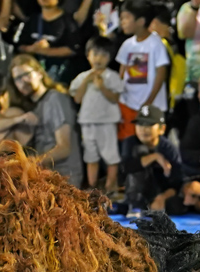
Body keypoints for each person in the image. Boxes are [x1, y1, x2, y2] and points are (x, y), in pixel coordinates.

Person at [11, 54, 84, 187]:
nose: (23, 82)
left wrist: (33, 162)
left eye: (26, 74)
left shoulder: (55, 99)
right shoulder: (33, 107)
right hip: (44, 176)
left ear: (39, 73)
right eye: (17, 79)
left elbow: (64, 147)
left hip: (64, 177)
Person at [69, 36, 123, 192]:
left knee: (111, 156)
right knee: (90, 156)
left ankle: (110, 186)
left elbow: (116, 98)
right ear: (88, 55)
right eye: (95, 54)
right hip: (87, 121)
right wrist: (87, 81)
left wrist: (103, 88)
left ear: (109, 58)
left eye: (104, 55)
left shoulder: (111, 76)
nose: (99, 58)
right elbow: (77, 98)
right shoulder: (82, 77)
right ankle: (93, 188)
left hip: (107, 121)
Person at [115, 0, 170, 141]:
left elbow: (161, 73)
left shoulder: (156, 43)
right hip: (128, 103)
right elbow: (121, 72)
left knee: (149, 141)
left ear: (140, 21)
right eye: (121, 18)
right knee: (128, 141)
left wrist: (149, 101)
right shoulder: (127, 45)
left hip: (151, 106)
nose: (122, 22)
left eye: (126, 18)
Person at [120, 104, 184, 213]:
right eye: (140, 124)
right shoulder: (130, 143)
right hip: (137, 192)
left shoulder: (169, 148)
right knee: (140, 151)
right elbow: (125, 168)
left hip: (160, 192)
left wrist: (162, 198)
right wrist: (155, 157)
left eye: (149, 124)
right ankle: (135, 205)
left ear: (161, 128)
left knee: (177, 206)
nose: (143, 129)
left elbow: (177, 181)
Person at [17, 0, 80, 83]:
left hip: (59, 75)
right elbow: (20, 46)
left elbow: (72, 49)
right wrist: (32, 48)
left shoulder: (68, 21)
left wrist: (45, 51)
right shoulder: (32, 19)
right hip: (33, 76)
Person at [0, 71, 35, 155]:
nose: (0, 101)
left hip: (23, 154)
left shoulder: (16, 110)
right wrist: (16, 120)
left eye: (3, 95)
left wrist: (18, 119)